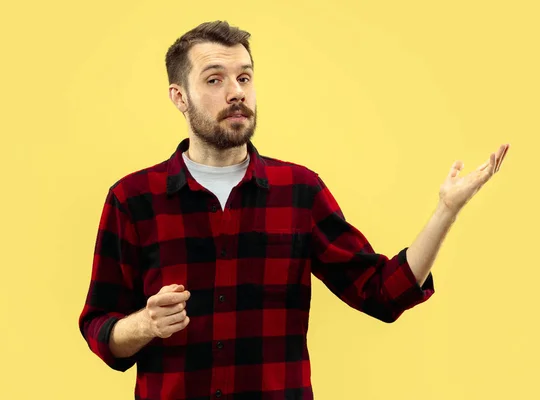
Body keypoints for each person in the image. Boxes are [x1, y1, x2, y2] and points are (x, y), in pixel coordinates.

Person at [78, 20, 509, 400]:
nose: (235, 93)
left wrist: (446, 211)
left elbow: (382, 292)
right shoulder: (132, 198)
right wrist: (145, 325)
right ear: (179, 97)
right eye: (214, 80)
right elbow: (100, 329)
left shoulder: (298, 191)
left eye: (244, 78)